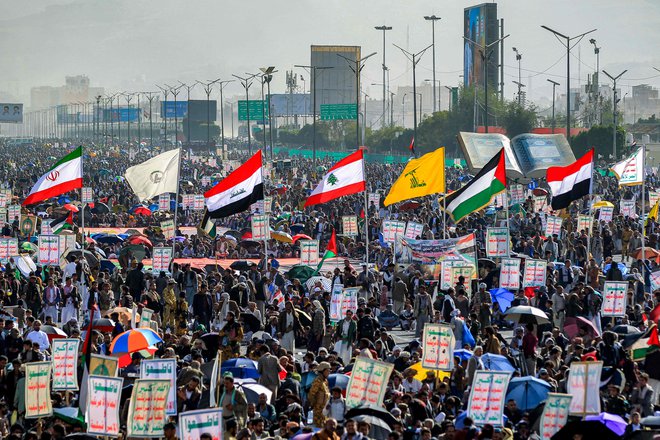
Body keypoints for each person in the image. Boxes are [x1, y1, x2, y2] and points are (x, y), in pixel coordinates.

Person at [308, 362, 331, 428]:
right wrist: (314, 405)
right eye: (327, 370)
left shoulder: (325, 381)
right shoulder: (318, 381)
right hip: (318, 410)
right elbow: (312, 394)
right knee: (318, 427)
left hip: (325, 409)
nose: (329, 372)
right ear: (322, 371)